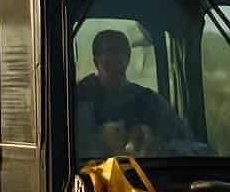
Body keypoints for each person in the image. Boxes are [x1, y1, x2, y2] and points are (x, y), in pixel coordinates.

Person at [76, 28, 190, 156]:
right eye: (109, 52)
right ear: (96, 61)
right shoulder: (78, 99)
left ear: (128, 58)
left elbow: (185, 142)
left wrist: (153, 144)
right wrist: (102, 141)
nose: (115, 59)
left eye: (120, 52)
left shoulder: (148, 100)